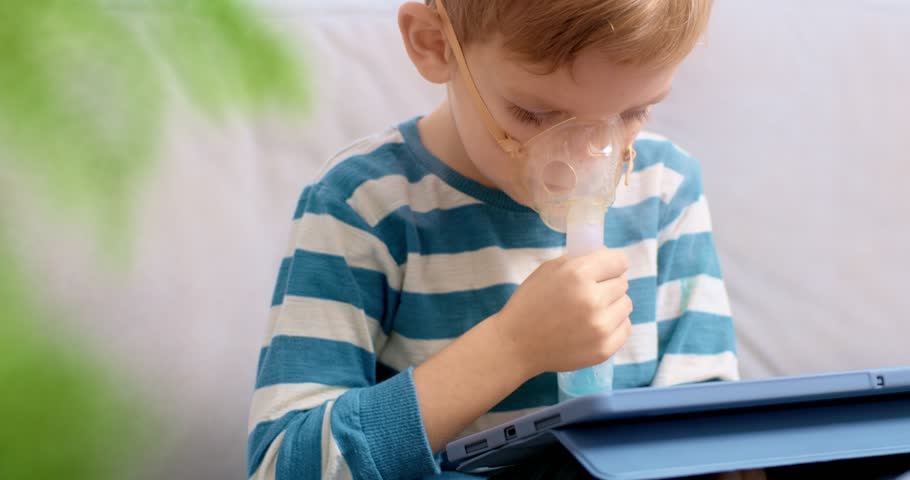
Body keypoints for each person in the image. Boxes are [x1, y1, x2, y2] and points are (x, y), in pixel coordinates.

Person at [247, 1, 739, 478]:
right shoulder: (365, 205)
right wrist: (511, 347)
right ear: (435, 43)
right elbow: (282, 468)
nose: (587, 164)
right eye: (536, 114)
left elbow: (713, 443)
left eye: (633, 112)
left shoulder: (665, 190)